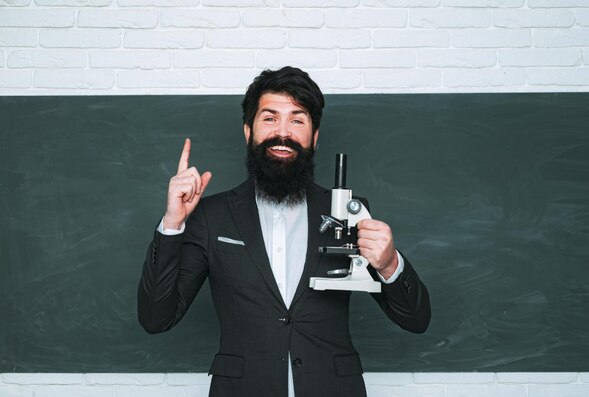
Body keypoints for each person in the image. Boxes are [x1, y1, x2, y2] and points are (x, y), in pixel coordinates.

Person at [137, 66, 431, 397]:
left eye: (297, 120)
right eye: (270, 118)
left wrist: (390, 263)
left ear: (314, 137)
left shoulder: (346, 214)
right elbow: (156, 318)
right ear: (248, 131)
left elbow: (416, 320)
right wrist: (173, 223)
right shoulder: (211, 216)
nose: (283, 132)